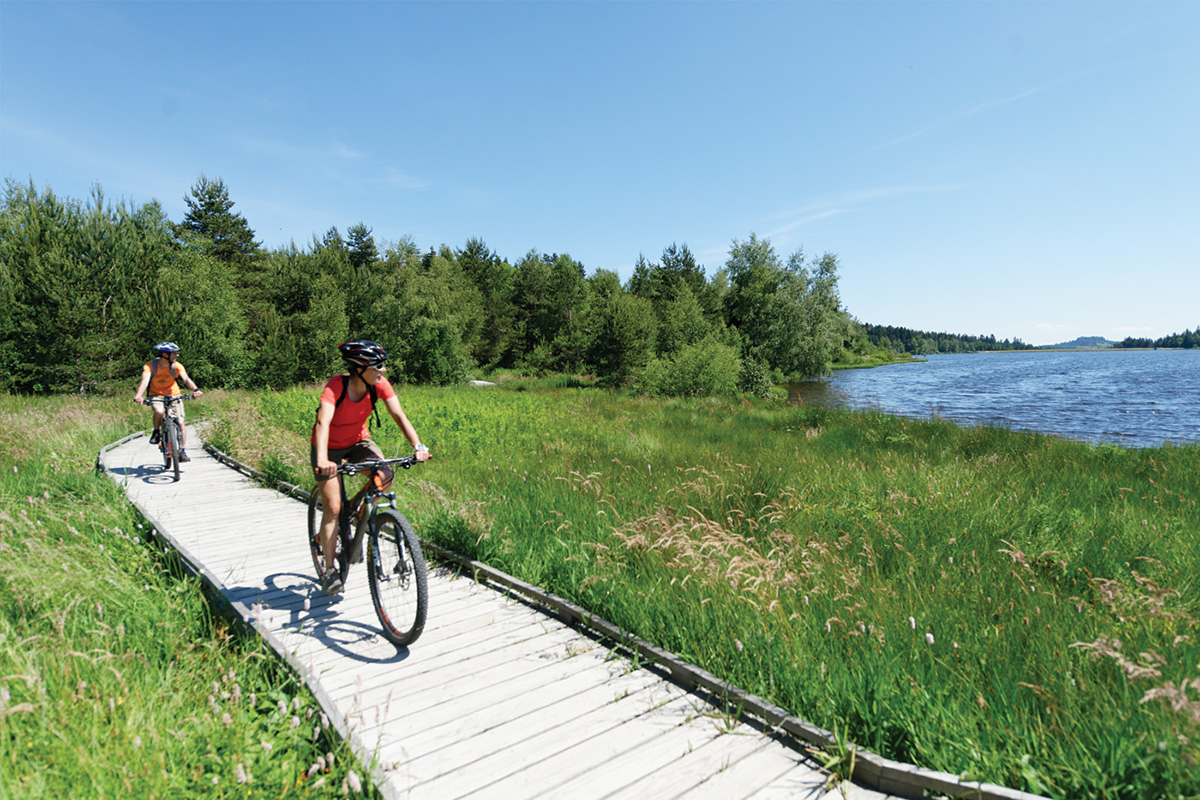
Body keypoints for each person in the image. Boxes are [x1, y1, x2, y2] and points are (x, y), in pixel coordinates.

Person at [311, 340, 430, 594]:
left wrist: (418, 446)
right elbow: (323, 423)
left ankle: (354, 509)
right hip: (328, 448)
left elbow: (399, 415)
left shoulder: (379, 386)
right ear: (359, 368)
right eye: (378, 366)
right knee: (332, 507)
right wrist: (322, 459)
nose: (383, 371)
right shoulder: (336, 386)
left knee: (385, 475)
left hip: (357, 443)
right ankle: (330, 571)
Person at [133, 342, 202, 462]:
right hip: (156, 395)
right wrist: (139, 396)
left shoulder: (177, 366)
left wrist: (195, 390)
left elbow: (185, 379)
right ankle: (156, 431)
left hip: (174, 395)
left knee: (180, 422)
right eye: (174, 353)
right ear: (165, 355)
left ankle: (182, 451)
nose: (177, 355)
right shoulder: (150, 366)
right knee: (159, 411)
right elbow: (145, 381)